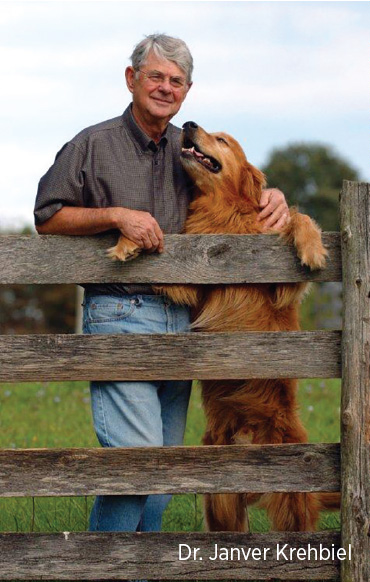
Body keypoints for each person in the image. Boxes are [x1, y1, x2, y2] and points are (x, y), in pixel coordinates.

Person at [33, 34, 291, 533]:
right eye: (155, 76)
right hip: (119, 314)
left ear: (187, 90)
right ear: (131, 79)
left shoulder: (188, 150)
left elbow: (238, 192)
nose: (165, 88)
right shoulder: (93, 144)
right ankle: (100, 568)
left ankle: (138, 568)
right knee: (139, 464)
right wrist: (115, 216)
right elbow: (48, 217)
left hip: (184, 323)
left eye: (176, 81)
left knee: (165, 474)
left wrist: (273, 194)